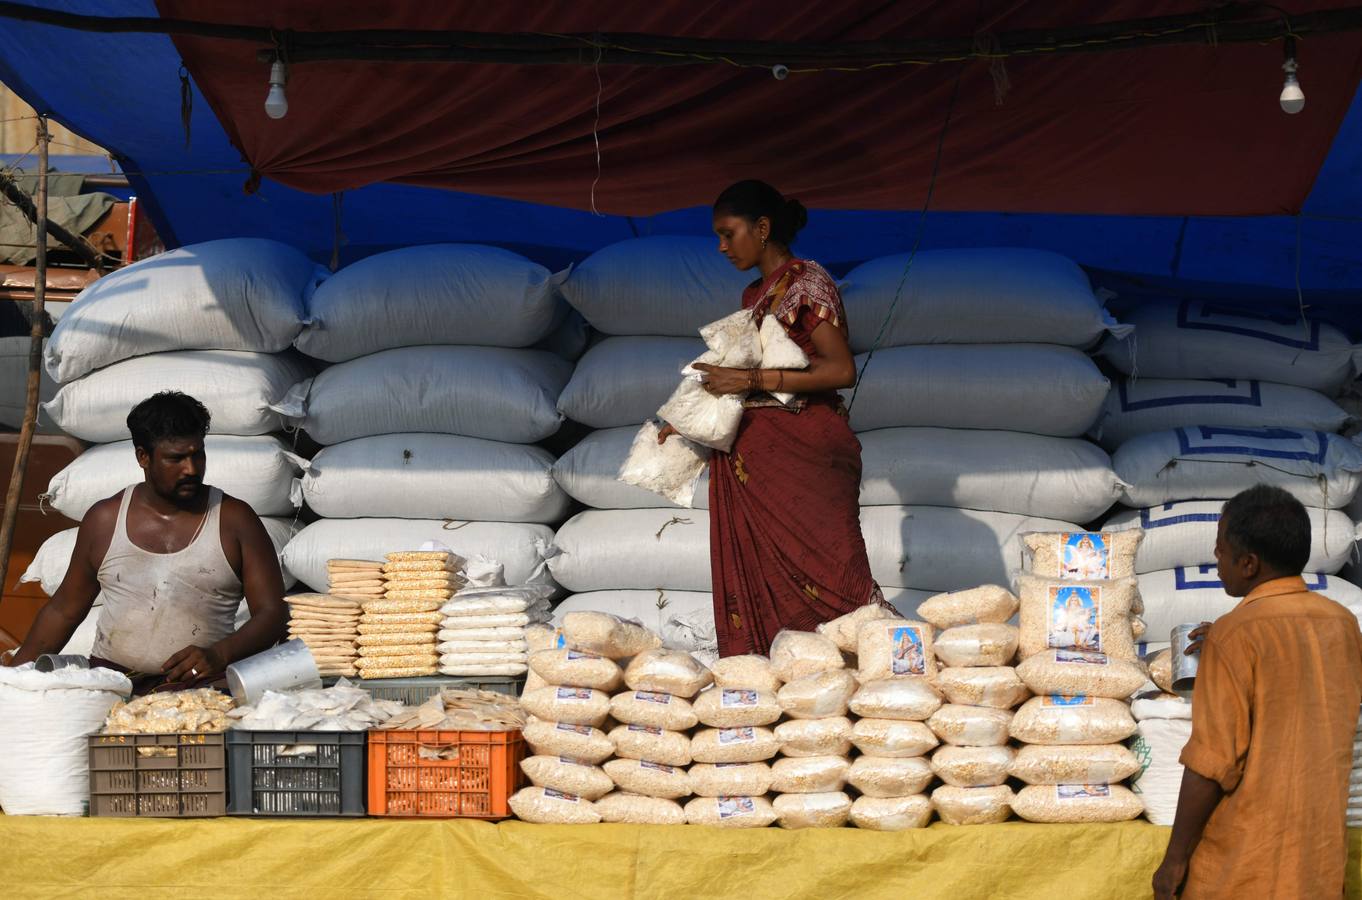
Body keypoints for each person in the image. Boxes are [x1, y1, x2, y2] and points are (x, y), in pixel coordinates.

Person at [659, 179, 883, 655]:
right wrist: (687, 419)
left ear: (762, 228)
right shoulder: (754, 295)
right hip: (754, 458)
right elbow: (744, 377)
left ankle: (874, 666)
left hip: (805, 452)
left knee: (835, 578)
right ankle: (777, 682)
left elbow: (841, 370)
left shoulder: (808, 283)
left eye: (728, 234)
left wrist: (749, 381)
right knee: (763, 586)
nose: (721, 247)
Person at [1152, 485, 1362, 899]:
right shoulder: (1342, 624)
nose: (1216, 560)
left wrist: (1174, 859)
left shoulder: (1234, 635)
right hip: (1317, 866)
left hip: (1245, 868)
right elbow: (1296, 672)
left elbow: (1211, 764)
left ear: (1248, 564)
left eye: (1220, 551)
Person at [5, 391, 288, 691]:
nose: (191, 469)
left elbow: (273, 614)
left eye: (198, 454)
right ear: (143, 457)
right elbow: (64, 610)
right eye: (175, 458)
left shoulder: (234, 520)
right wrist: (12, 681)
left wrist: (219, 654)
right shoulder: (105, 521)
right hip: (112, 685)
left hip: (202, 690)